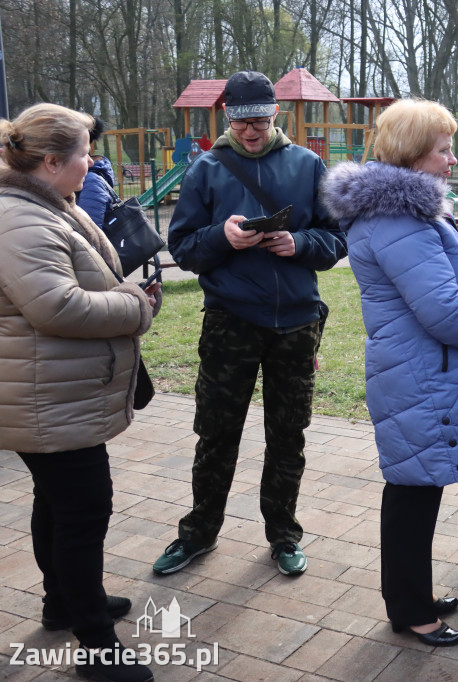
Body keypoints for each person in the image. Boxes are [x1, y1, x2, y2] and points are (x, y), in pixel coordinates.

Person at [321, 99, 458, 647]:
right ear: (412, 153)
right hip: (421, 374)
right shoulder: (399, 216)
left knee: (415, 487)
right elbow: (443, 309)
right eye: (443, 149)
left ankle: (411, 594)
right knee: (412, 491)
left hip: (421, 369)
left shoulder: (406, 210)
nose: (452, 159)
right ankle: (410, 609)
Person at [154, 70, 347, 577]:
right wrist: (222, 237)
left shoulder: (308, 166)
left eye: (260, 121)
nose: (251, 132)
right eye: (241, 124)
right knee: (216, 433)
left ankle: (283, 535)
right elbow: (183, 248)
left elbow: (337, 240)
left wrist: (299, 244)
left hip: (296, 324)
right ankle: (197, 534)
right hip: (231, 323)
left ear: (276, 114)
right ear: (227, 119)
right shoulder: (205, 170)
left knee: (289, 436)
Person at [0, 103, 157, 682]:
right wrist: (135, 307)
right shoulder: (18, 219)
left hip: (50, 392)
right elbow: (56, 305)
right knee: (83, 512)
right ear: (50, 161)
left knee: (59, 506)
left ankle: (62, 603)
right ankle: (96, 644)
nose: (93, 166)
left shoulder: (42, 206)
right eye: (86, 157)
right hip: (45, 400)